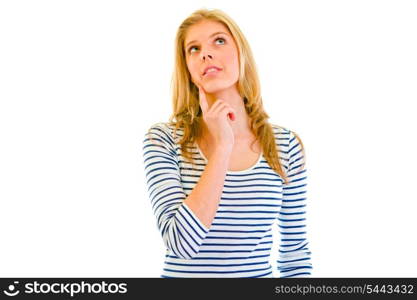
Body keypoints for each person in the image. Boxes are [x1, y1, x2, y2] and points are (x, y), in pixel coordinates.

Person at [141, 8, 312, 278]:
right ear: (187, 68)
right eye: (193, 49)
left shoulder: (285, 145)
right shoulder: (163, 139)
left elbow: (295, 255)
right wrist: (222, 149)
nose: (206, 53)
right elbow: (181, 244)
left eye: (219, 41)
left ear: (240, 52)